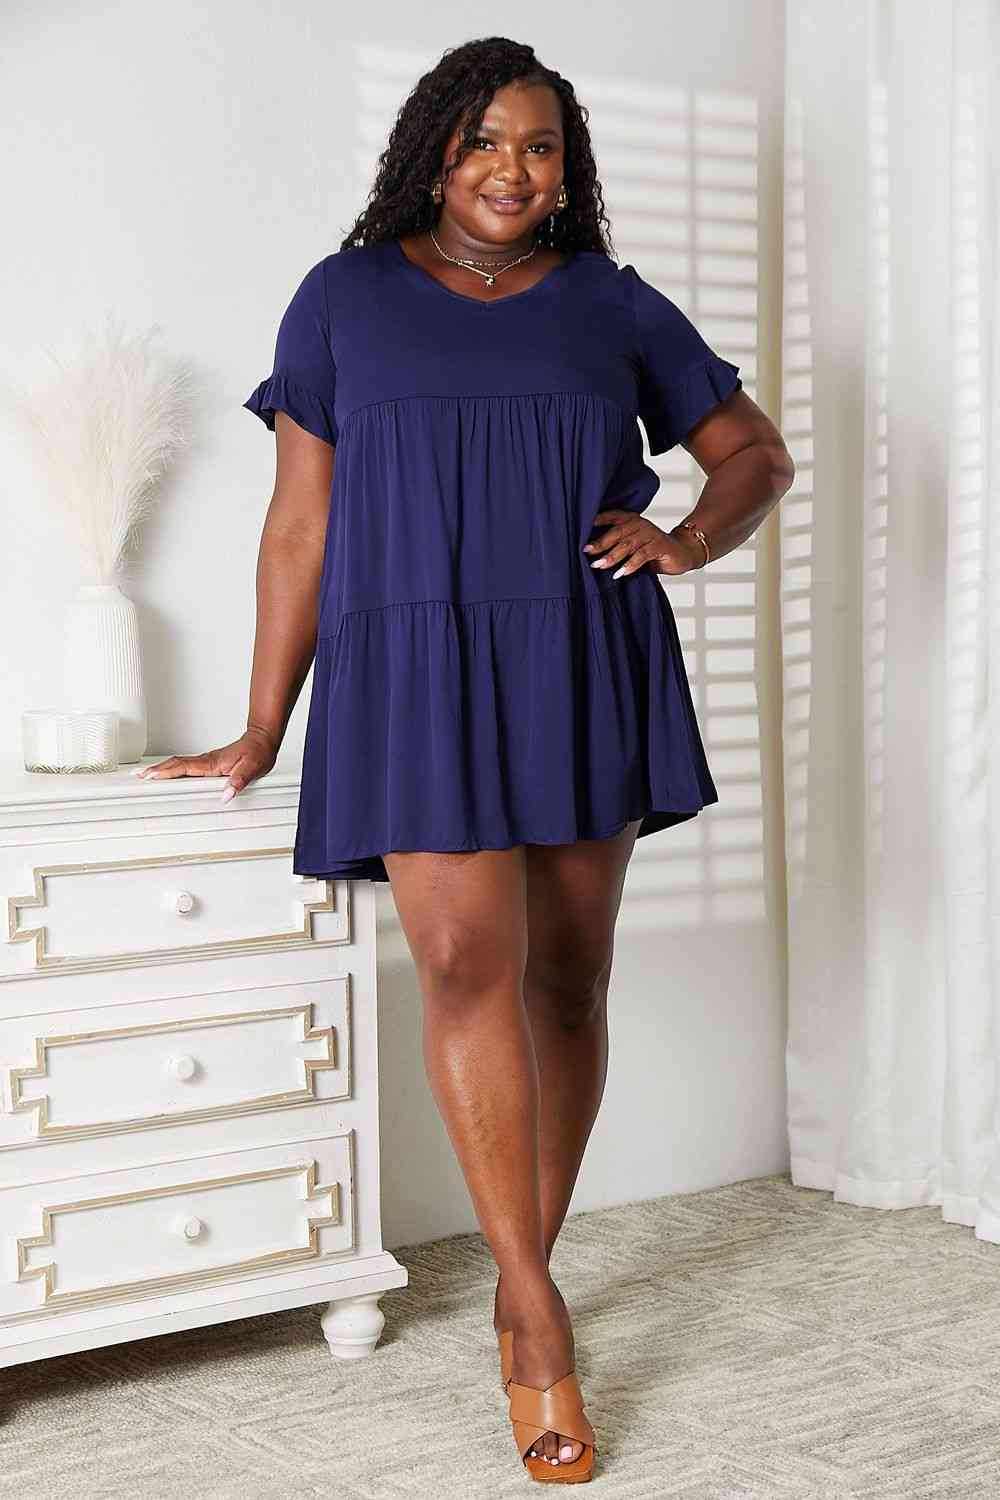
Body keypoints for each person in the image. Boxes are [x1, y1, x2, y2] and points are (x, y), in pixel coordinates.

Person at [137, 35, 794, 1483]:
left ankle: (516, 1267)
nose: (514, 168)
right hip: (413, 670)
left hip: (578, 654)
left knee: (567, 978)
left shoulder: (610, 303)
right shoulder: (344, 298)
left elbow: (756, 455)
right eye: (486, 139)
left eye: (542, 146)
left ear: (569, 168)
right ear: (434, 150)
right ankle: (539, 1316)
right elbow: (300, 525)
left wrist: (684, 540)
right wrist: (264, 721)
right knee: (463, 965)